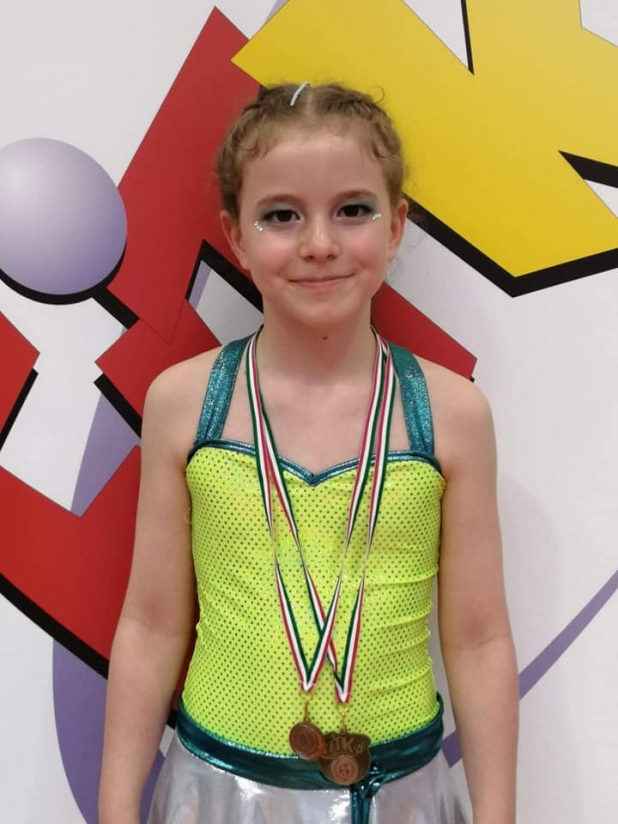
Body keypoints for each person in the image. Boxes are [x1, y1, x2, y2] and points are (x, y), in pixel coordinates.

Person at [99, 82, 518, 824]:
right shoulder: (185, 402)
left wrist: (498, 815)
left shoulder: (451, 415)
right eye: (281, 215)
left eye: (353, 210)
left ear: (396, 225)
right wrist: (115, 808)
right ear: (236, 236)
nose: (319, 242)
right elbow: (152, 625)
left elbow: (480, 639)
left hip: (400, 795)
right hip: (219, 794)